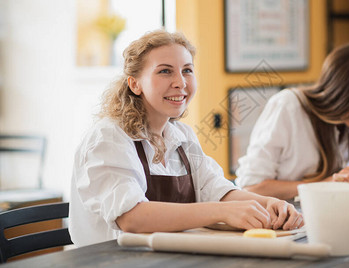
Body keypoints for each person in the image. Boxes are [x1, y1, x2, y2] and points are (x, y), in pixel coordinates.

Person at [69, 30, 302, 247]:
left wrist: (268, 203)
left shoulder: (182, 136)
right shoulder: (109, 137)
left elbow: (216, 190)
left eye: (187, 70)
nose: (180, 82)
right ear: (135, 84)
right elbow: (132, 218)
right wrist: (222, 212)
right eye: (164, 71)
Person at [235, 43, 349, 200]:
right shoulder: (288, 107)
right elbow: (252, 188)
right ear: (338, 93)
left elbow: (338, 177)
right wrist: (326, 184)